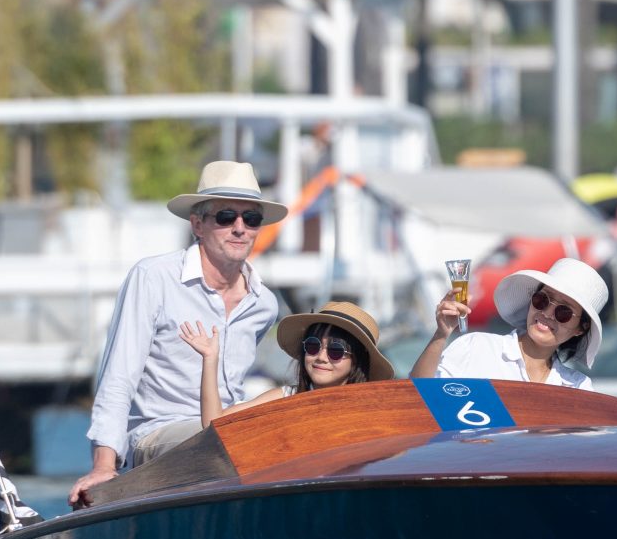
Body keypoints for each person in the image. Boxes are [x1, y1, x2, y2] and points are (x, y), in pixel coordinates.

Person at [71, 160, 285, 506]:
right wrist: (104, 465)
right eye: (226, 217)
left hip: (228, 435)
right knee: (225, 443)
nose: (240, 228)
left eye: (252, 218)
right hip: (158, 436)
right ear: (197, 224)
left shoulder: (264, 304)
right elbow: (118, 377)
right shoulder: (153, 278)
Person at [411, 255, 607, 389]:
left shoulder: (579, 387)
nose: (547, 313)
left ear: (580, 329)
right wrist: (441, 334)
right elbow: (417, 396)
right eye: (542, 300)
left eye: (563, 311)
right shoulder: (475, 346)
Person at [181, 299, 389, 420]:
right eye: (313, 346)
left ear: (357, 361)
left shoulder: (371, 408)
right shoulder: (285, 396)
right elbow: (214, 423)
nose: (321, 357)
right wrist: (210, 359)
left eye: (335, 350)